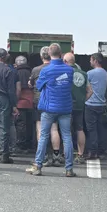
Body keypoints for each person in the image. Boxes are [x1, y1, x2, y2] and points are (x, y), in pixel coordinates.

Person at [27, 44, 76, 177]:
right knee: (67, 136)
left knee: (43, 136)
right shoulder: (70, 70)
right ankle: (69, 168)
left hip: (49, 108)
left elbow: (39, 86)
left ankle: (38, 166)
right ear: (61, 53)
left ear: (49, 53)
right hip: (65, 107)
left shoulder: (46, 71)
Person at [31, 48, 62, 163]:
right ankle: (56, 155)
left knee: (40, 129)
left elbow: (32, 84)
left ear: (41, 56)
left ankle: (42, 156)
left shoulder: (36, 70)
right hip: (53, 101)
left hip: (39, 101)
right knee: (54, 129)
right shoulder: (56, 69)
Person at [84, 53, 107, 161]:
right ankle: (100, 149)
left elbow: (84, 85)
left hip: (91, 103)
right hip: (101, 103)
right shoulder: (105, 73)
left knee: (91, 129)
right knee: (99, 128)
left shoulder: (90, 73)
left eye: (91, 60)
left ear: (95, 60)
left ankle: (92, 151)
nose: (90, 62)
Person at [66, 53, 88, 163]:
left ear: (65, 61)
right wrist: (83, 99)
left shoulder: (65, 72)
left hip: (67, 105)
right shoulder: (84, 74)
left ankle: (67, 154)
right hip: (80, 105)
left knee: (67, 130)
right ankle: (80, 154)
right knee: (80, 129)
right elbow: (90, 90)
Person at [14, 55, 35, 153]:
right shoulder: (31, 72)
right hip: (31, 102)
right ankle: (29, 144)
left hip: (20, 103)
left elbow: (17, 89)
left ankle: (21, 145)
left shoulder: (16, 73)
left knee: (20, 124)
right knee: (30, 124)